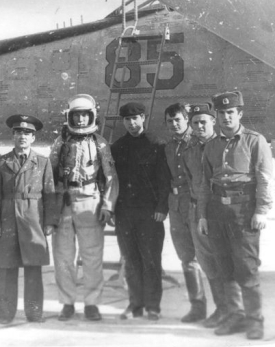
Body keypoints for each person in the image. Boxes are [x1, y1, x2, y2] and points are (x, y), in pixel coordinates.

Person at [197, 91, 273, 340]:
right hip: (217, 210)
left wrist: (261, 210)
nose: (226, 117)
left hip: (244, 209)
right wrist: (203, 215)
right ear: (216, 116)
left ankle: (254, 320)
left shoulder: (254, 140)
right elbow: (205, 183)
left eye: (231, 112)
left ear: (239, 114)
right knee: (224, 268)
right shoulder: (211, 145)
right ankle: (235, 316)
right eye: (222, 113)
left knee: (247, 268)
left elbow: (263, 178)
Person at [50, 94, 119, 321]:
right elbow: (49, 176)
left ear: (91, 116)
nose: (80, 119)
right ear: (70, 116)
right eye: (76, 115)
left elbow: (110, 177)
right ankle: (67, 303)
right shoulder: (60, 143)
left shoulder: (100, 143)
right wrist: (50, 209)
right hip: (64, 203)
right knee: (63, 257)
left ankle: (91, 304)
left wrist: (107, 206)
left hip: (90, 201)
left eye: (84, 115)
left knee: (92, 257)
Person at [0, 114, 58, 324]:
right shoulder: (0, 163)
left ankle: (34, 312)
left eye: (27, 133)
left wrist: (49, 222)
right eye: (19, 132)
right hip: (8, 219)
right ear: (13, 136)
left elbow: (50, 194)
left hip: (33, 219)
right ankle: (6, 313)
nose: (23, 137)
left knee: (33, 268)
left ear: (33, 138)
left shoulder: (43, 163)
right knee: (7, 269)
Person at [182, 103, 243, 328]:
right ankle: (222, 309)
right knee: (207, 262)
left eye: (204, 122)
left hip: (218, 211)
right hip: (196, 210)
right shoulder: (189, 151)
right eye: (195, 122)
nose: (199, 126)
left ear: (213, 122)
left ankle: (234, 311)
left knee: (224, 260)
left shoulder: (222, 147)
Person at [110, 102, 169, 321]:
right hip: (125, 213)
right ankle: (135, 304)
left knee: (151, 260)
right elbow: (113, 182)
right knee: (131, 260)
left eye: (135, 118)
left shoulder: (157, 144)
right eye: (127, 119)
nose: (131, 123)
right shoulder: (117, 147)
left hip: (150, 213)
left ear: (143, 118)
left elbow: (164, 179)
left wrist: (162, 207)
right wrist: (113, 210)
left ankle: (153, 306)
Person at [164, 103, 207, 322]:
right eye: (170, 121)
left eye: (178, 120)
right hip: (176, 207)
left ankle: (227, 309)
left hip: (196, 205)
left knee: (210, 258)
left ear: (186, 119)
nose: (174, 124)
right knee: (187, 258)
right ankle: (198, 307)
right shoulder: (169, 147)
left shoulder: (198, 143)